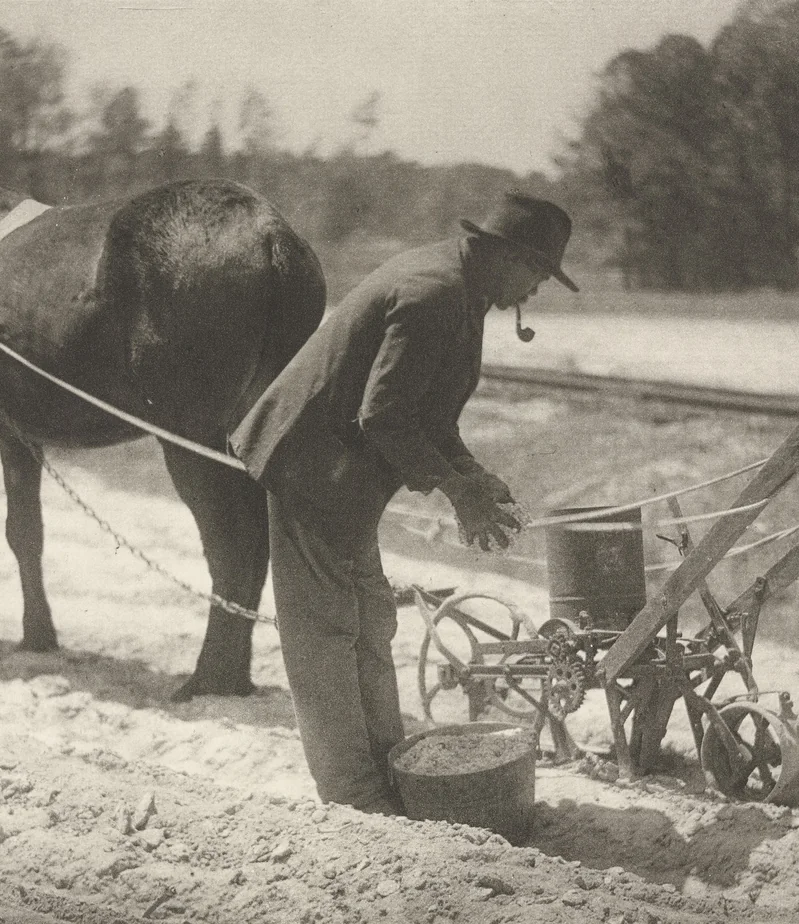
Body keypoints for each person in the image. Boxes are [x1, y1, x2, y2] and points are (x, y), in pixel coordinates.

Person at [229, 191, 580, 814]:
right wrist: (458, 491)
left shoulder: (461, 288)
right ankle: (353, 794)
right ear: (509, 256)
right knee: (326, 633)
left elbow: (428, 410)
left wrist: (472, 474)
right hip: (311, 469)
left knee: (371, 623)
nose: (536, 289)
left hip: (345, 478)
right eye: (539, 274)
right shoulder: (433, 294)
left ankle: (390, 771)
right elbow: (385, 416)